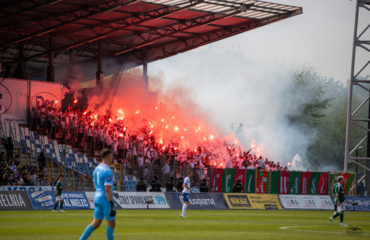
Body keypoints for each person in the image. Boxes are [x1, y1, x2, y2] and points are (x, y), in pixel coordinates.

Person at [79, 149, 116, 240]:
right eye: (112, 157)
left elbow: (94, 184)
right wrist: (111, 203)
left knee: (96, 223)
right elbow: (107, 189)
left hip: (97, 197)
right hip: (105, 199)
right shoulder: (108, 171)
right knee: (111, 223)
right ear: (109, 157)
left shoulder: (97, 169)